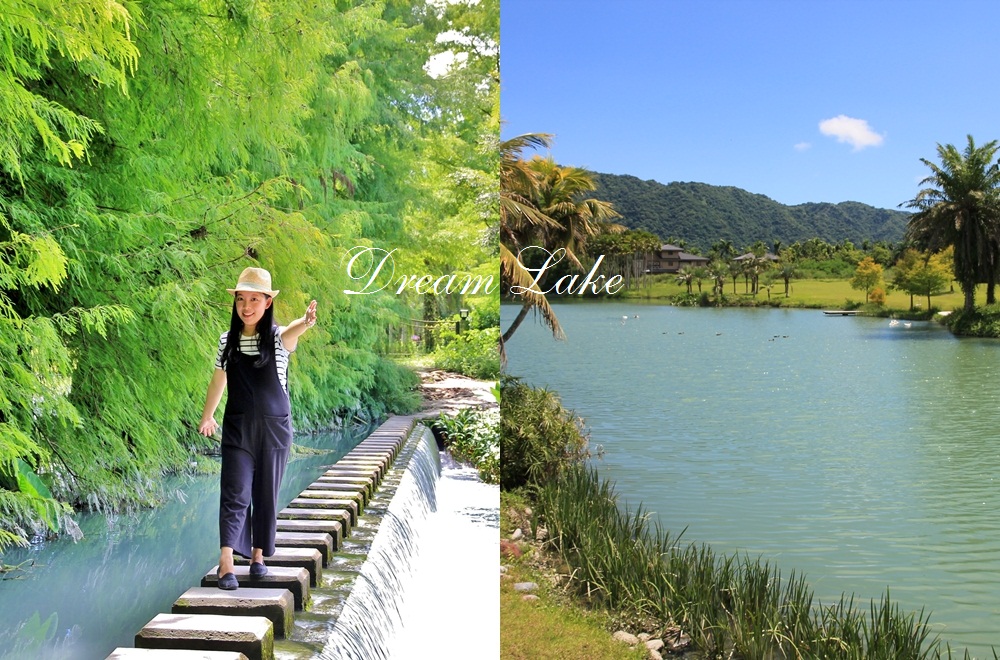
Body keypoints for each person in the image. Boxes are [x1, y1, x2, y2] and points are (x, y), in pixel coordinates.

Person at [198, 267, 318, 590]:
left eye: (254, 299)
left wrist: (305, 323)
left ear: (267, 303)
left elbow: (292, 332)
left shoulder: (278, 339)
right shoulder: (227, 341)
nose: (246, 306)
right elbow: (218, 381)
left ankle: (258, 556)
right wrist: (208, 415)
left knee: (265, 493)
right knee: (235, 492)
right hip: (237, 428)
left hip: (274, 430)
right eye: (241, 299)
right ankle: (226, 561)